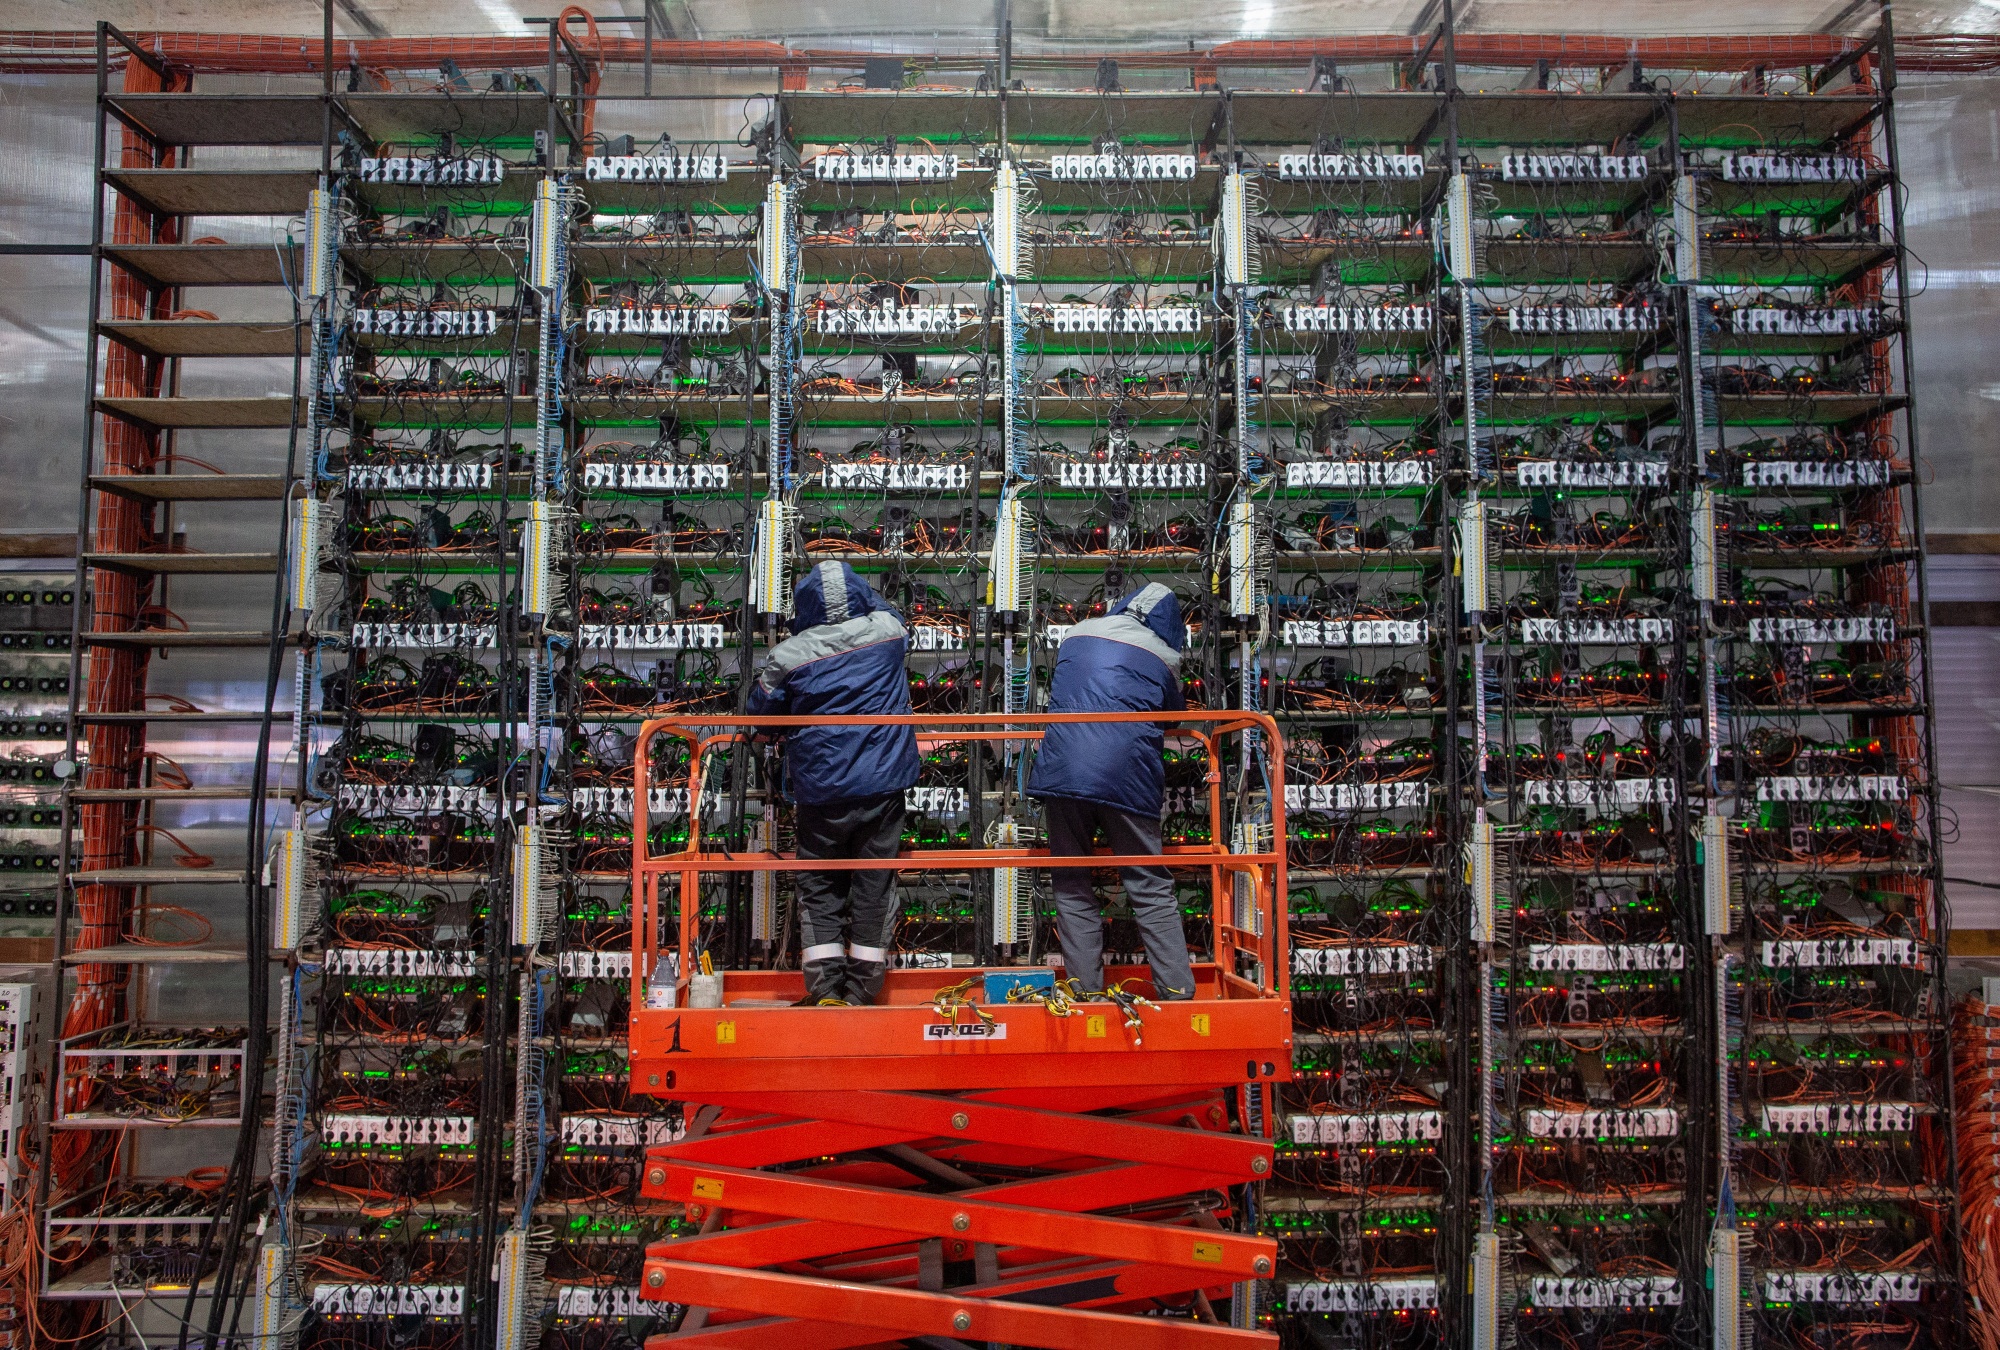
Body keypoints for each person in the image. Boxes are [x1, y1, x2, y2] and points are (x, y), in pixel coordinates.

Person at [746, 561, 919, 1006]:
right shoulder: (888, 631)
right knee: (873, 885)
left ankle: (826, 991)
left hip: (822, 790)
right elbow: (893, 613)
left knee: (819, 885)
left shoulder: (788, 654)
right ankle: (863, 991)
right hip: (883, 785)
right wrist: (866, 601)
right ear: (861, 594)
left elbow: (760, 722)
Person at [1027, 583, 1195, 1001]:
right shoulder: (1165, 655)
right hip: (1127, 776)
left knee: (1070, 882)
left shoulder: (1078, 633)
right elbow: (1174, 716)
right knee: (1148, 885)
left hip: (1062, 769)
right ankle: (1177, 993)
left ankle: (1086, 994)